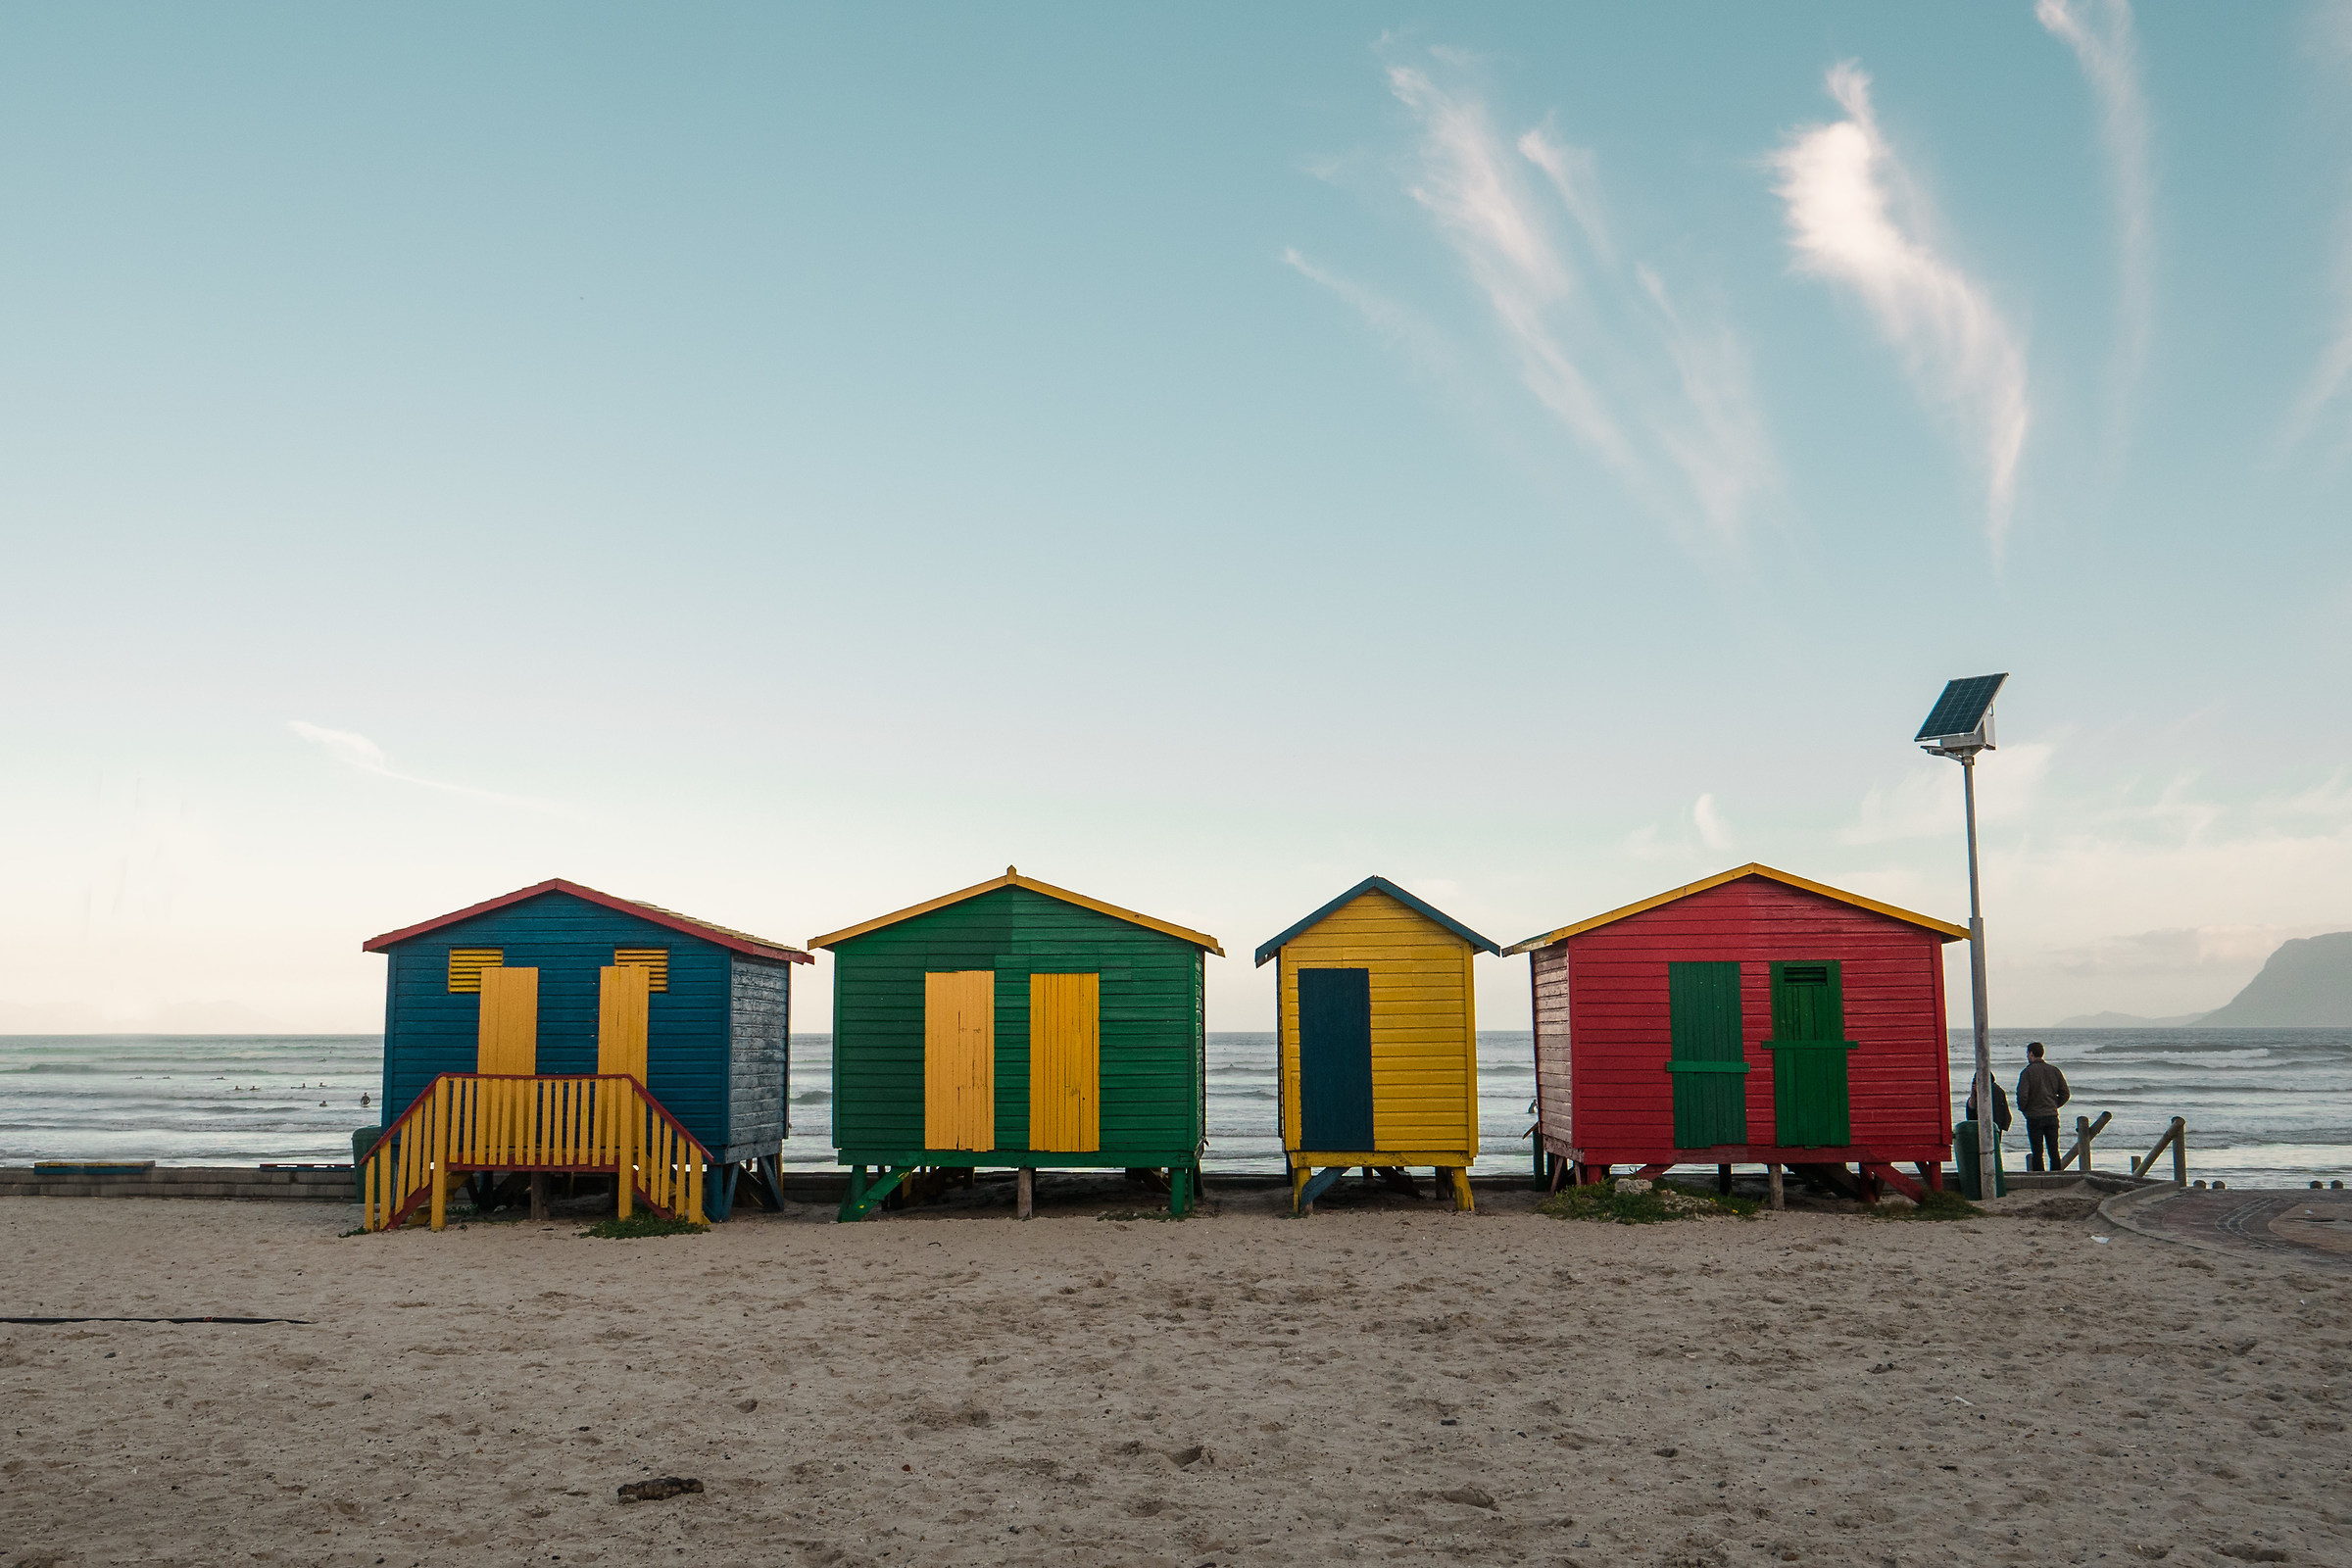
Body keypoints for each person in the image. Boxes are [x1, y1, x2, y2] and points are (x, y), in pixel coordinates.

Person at [2017, 1041, 2071, 1172]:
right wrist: (2054, 1105)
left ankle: (2039, 1175)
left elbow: (2022, 1095)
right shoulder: (2054, 1070)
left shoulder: (2027, 1072)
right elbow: (2065, 1093)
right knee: (2053, 1149)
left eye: (2027, 1053)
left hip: (2034, 1116)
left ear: (2031, 1053)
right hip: (2051, 1115)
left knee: (2037, 1150)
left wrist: (2024, 1109)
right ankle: (2057, 1175)